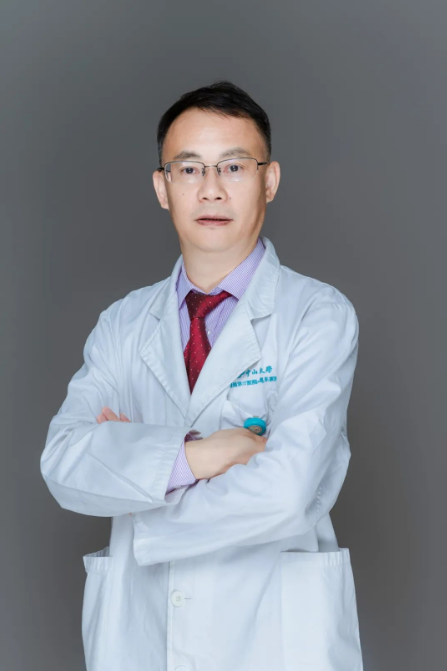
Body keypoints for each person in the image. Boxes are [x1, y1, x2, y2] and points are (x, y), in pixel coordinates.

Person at [40, 80, 364, 671]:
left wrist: (140, 483)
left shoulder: (317, 315)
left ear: (270, 180)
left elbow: (287, 493)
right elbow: (63, 463)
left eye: (233, 167)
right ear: (162, 187)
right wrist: (202, 456)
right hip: (140, 636)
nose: (211, 189)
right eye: (189, 169)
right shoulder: (122, 324)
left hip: (274, 639)